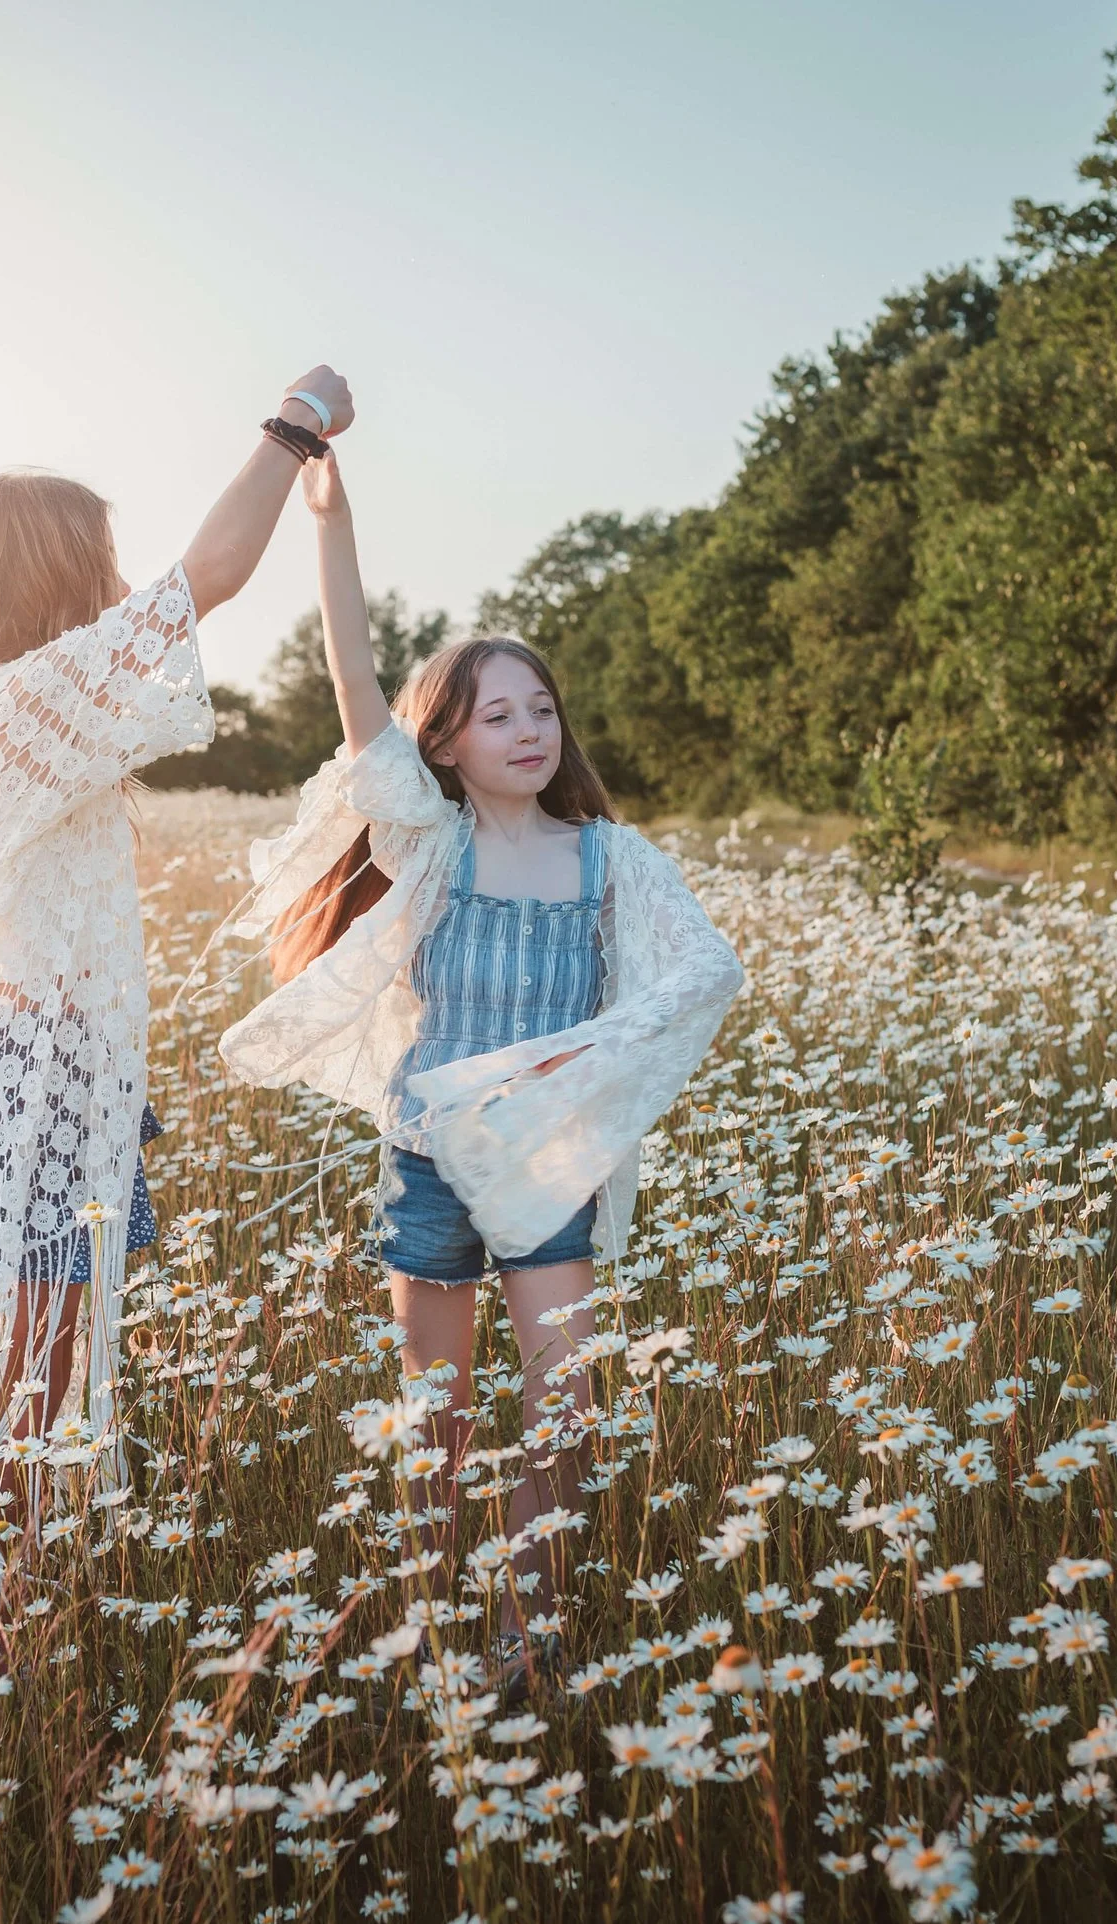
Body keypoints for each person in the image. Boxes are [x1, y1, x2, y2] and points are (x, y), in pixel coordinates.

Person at [218, 448, 743, 1682]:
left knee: (563, 1407)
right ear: (444, 743)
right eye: (495, 714)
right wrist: (330, 524)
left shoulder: (609, 859)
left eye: (541, 709)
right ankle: (419, 1637)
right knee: (435, 1420)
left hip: (547, 1161)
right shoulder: (428, 842)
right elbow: (355, 679)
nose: (526, 730)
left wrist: (586, 1064)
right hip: (429, 1163)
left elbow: (704, 969)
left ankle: (520, 1638)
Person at [0, 366, 356, 1587]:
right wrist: (290, 427)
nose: (116, 585)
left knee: (46, 1381)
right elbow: (206, 577)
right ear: (50, 574)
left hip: (51, 1075)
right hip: (12, 1081)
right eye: (96, 562)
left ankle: (32, 1613)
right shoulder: (13, 709)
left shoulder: (15, 712)